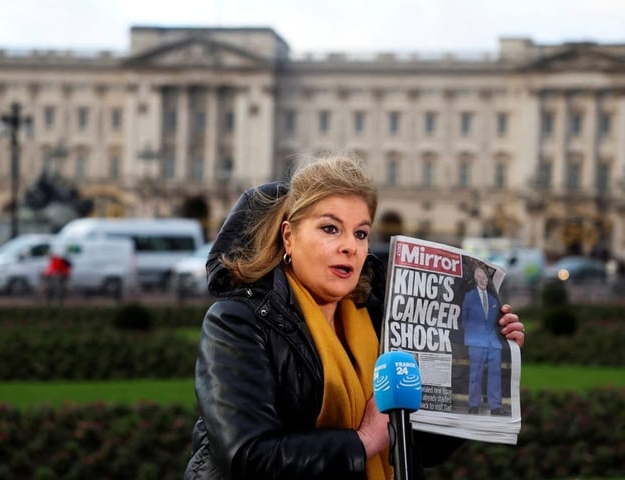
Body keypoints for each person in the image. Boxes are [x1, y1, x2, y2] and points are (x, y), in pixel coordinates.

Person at [184, 155, 525, 480]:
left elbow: (419, 448)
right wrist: (363, 442)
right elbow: (249, 459)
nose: (350, 246)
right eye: (331, 229)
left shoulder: (378, 318)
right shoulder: (236, 322)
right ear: (289, 236)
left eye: (360, 233)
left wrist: (485, 363)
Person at [461, 265, 508, 416]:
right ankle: (474, 405)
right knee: (476, 373)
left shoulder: (494, 299)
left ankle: (496, 406)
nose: (482, 279)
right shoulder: (469, 297)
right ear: (476, 279)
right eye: (479, 277)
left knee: (495, 374)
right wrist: (471, 335)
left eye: (484, 277)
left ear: (487, 280)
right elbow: (464, 319)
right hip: (476, 341)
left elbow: (497, 321)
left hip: (493, 342)